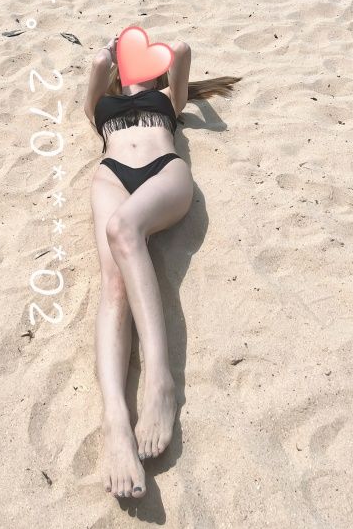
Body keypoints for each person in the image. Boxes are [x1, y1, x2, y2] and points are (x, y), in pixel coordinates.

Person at [83, 35, 240, 498]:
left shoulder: (170, 96)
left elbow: (184, 51)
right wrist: (110, 54)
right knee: (113, 286)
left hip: (164, 172)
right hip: (111, 176)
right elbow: (94, 70)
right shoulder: (102, 104)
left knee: (122, 229)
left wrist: (157, 56)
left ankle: (159, 380)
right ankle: (115, 418)